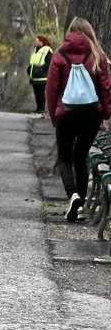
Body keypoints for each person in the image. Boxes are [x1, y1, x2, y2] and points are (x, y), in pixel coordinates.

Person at [44, 17, 111, 222]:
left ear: (70, 32)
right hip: (91, 114)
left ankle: (72, 195)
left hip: (66, 113)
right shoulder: (97, 56)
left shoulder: (58, 56)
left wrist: (55, 115)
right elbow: (106, 88)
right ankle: (80, 204)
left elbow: (51, 89)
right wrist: (105, 114)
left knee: (64, 158)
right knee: (80, 157)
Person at [27, 35, 55, 117]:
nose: (35, 42)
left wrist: (41, 70)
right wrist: (29, 70)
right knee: (36, 93)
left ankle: (42, 109)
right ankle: (38, 108)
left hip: (42, 76)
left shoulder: (47, 50)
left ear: (41, 42)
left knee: (41, 93)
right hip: (34, 76)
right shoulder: (35, 50)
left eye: (36, 41)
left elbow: (49, 62)